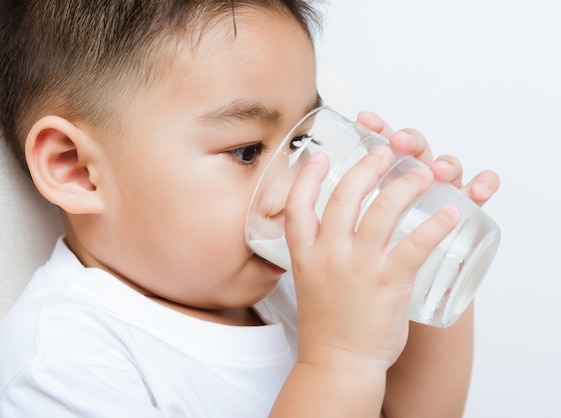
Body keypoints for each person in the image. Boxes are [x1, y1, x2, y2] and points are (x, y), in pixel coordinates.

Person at [0, 0, 499, 417]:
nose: (298, 183)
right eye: (247, 151)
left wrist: (425, 260)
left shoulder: (293, 288)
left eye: (302, 141)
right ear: (75, 168)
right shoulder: (64, 360)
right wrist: (341, 360)